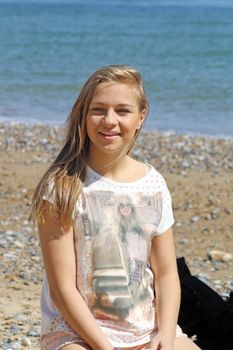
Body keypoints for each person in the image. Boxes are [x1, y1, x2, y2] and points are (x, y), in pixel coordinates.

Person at [30, 65, 201, 350]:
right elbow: (62, 290)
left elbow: (167, 273)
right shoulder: (62, 187)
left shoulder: (153, 185)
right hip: (76, 334)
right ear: (83, 116)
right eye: (98, 110)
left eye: (122, 111)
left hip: (147, 330)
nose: (109, 121)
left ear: (140, 117)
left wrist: (167, 335)